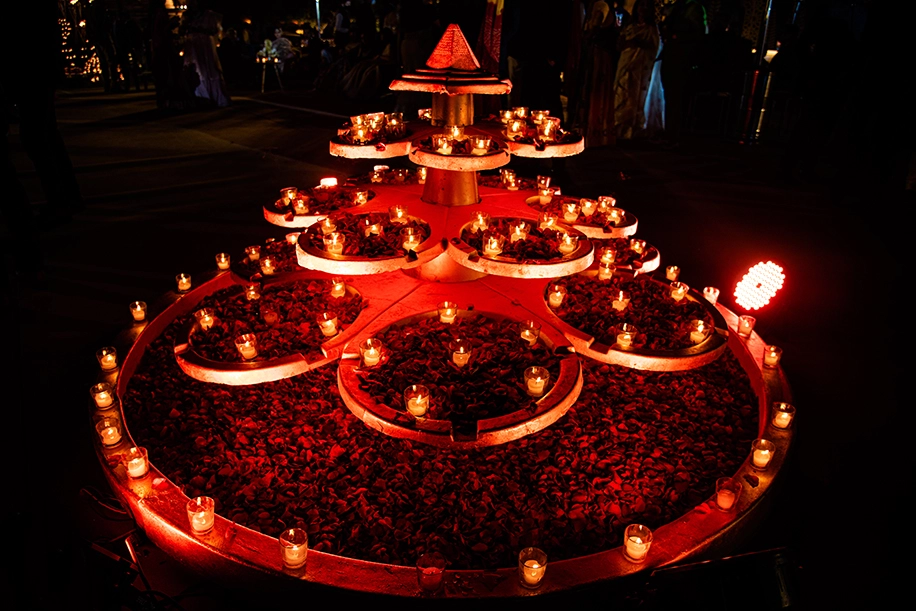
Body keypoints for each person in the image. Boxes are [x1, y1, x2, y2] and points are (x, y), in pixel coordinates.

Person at [658, 0, 706, 148]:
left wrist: (677, 37)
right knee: (669, 96)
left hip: (681, 58)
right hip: (671, 55)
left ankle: (674, 136)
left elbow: (698, 34)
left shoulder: (694, 8)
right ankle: (669, 134)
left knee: (676, 97)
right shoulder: (678, 7)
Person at [613, 0, 660, 140]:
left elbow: (653, 48)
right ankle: (618, 129)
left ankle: (632, 131)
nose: (642, 9)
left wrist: (637, 43)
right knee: (621, 94)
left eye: (645, 6)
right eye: (640, 5)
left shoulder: (650, 29)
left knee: (634, 99)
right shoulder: (630, 26)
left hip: (639, 69)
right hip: (625, 65)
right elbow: (619, 45)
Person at [580, 1, 620, 147]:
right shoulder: (595, 5)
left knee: (597, 90)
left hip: (600, 57)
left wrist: (584, 35)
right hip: (596, 55)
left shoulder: (601, 6)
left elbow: (593, 30)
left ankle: (596, 132)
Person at [180, 1, 230, 107]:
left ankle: (213, 96)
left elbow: (214, 30)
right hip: (192, 45)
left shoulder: (209, 15)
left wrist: (201, 30)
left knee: (209, 68)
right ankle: (198, 96)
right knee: (196, 68)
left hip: (205, 44)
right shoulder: (187, 16)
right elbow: (182, 30)